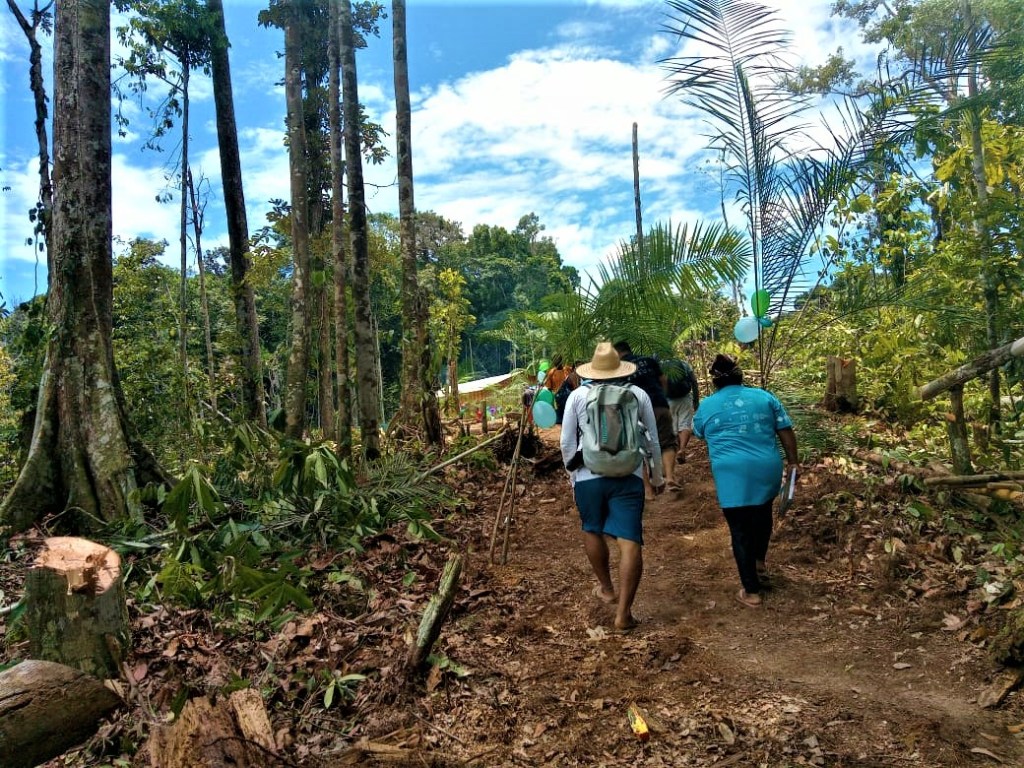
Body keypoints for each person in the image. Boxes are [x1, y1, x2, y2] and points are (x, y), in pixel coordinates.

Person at [560, 341, 665, 631]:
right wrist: (655, 478)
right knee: (630, 540)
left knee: (592, 528)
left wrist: (573, 477)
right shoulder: (637, 393)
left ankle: (606, 588)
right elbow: (652, 440)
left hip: (587, 475)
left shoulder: (578, 396)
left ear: (591, 369)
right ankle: (624, 614)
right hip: (628, 475)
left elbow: (567, 441)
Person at [692, 354, 799, 608]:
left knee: (739, 529)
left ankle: (751, 591)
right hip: (766, 467)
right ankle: (759, 562)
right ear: (741, 376)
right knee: (762, 515)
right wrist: (794, 461)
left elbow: (699, 432)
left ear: (715, 382)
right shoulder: (764, 397)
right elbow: (785, 430)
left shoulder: (707, 405)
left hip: (731, 473)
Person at [612, 341, 677, 492]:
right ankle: (669, 478)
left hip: (633, 410)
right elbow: (664, 380)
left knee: (636, 447)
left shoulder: (618, 368)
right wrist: (663, 397)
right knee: (666, 442)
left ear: (617, 353)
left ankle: (647, 489)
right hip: (659, 405)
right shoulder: (649, 360)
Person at [661, 357, 700, 467]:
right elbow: (694, 381)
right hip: (684, 398)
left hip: (668, 400)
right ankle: (682, 449)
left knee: (673, 427)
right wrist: (696, 400)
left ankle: (677, 449)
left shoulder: (661, 365)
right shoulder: (683, 364)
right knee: (685, 425)